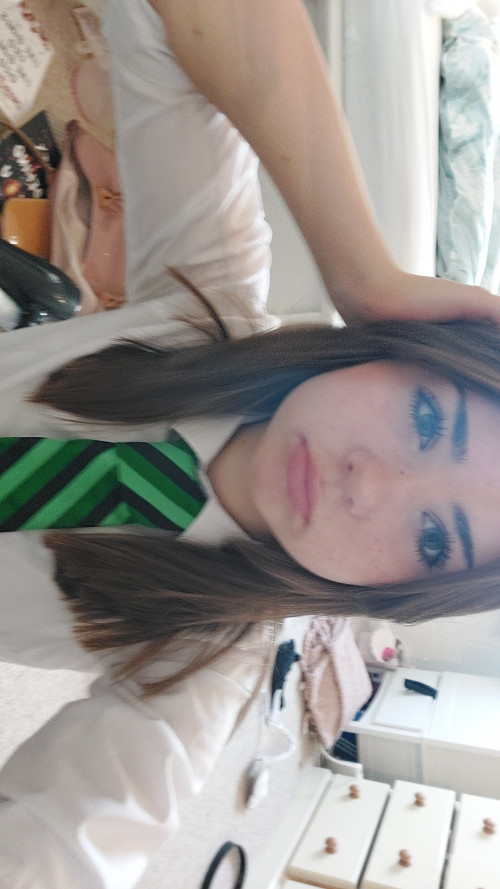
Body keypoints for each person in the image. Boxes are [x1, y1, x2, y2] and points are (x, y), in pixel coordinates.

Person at [1, 1, 500, 887]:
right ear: (397, 352)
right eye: (428, 421)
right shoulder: (205, 301)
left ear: (400, 592)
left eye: (431, 537)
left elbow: (70, 842)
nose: (369, 483)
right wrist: (364, 272)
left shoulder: (201, 662)